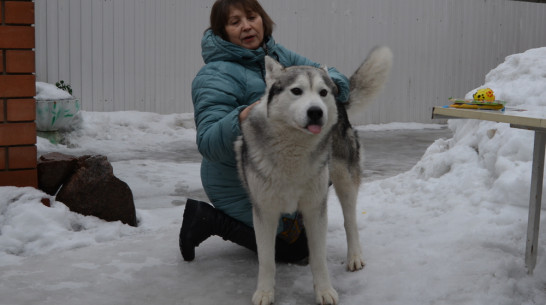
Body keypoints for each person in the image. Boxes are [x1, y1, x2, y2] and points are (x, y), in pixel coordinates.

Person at [179, 0, 350, 263]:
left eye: (251, 17)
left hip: (281, 169)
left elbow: (327, 72)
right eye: (235, 22)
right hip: (236, 180)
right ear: (223, 31)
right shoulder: (213, 76)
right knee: (294, 251)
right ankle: (208, 219)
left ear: (263, 19)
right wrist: (244, 117)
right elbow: (208, 142)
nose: (247, 26)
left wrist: (330, 87)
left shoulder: (278, 56)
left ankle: (291, 220)